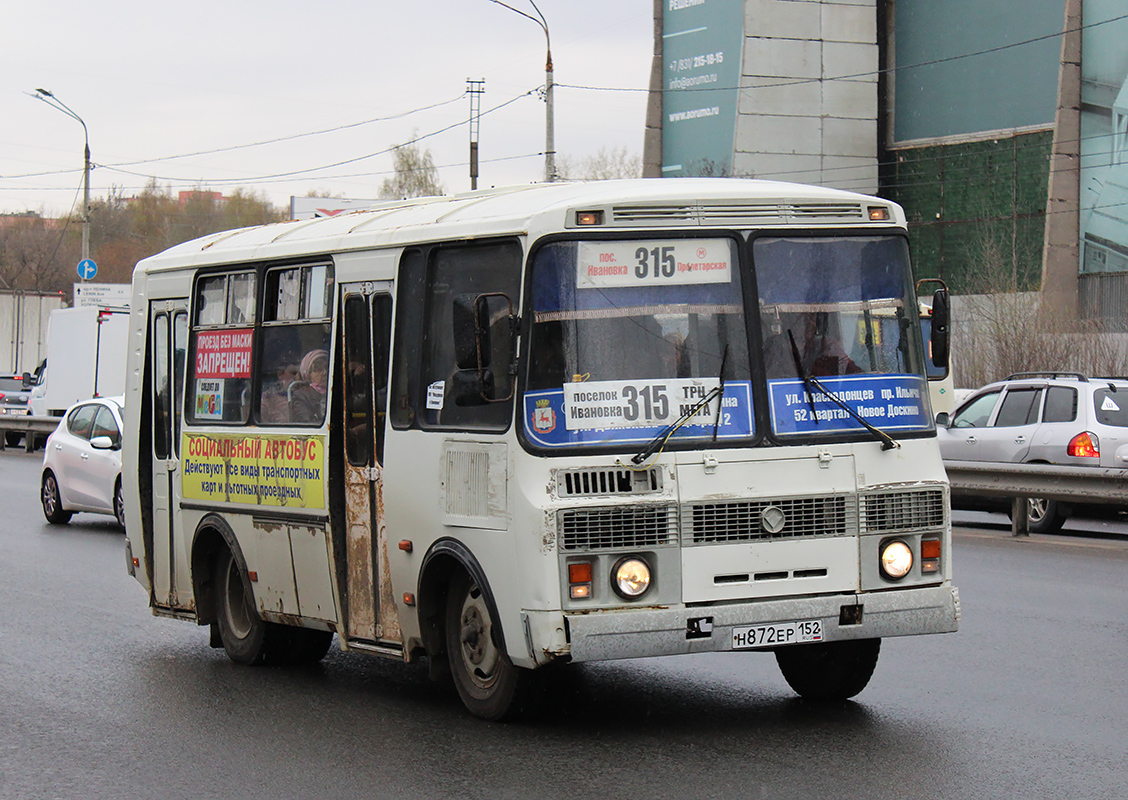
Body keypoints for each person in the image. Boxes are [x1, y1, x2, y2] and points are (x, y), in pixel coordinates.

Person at [290, 349, 329, 423]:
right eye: (318, 370)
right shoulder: (301, 396)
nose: (325, 373)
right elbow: (305, 421)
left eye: (327, 368)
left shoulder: (339, 391)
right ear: (308, 374)